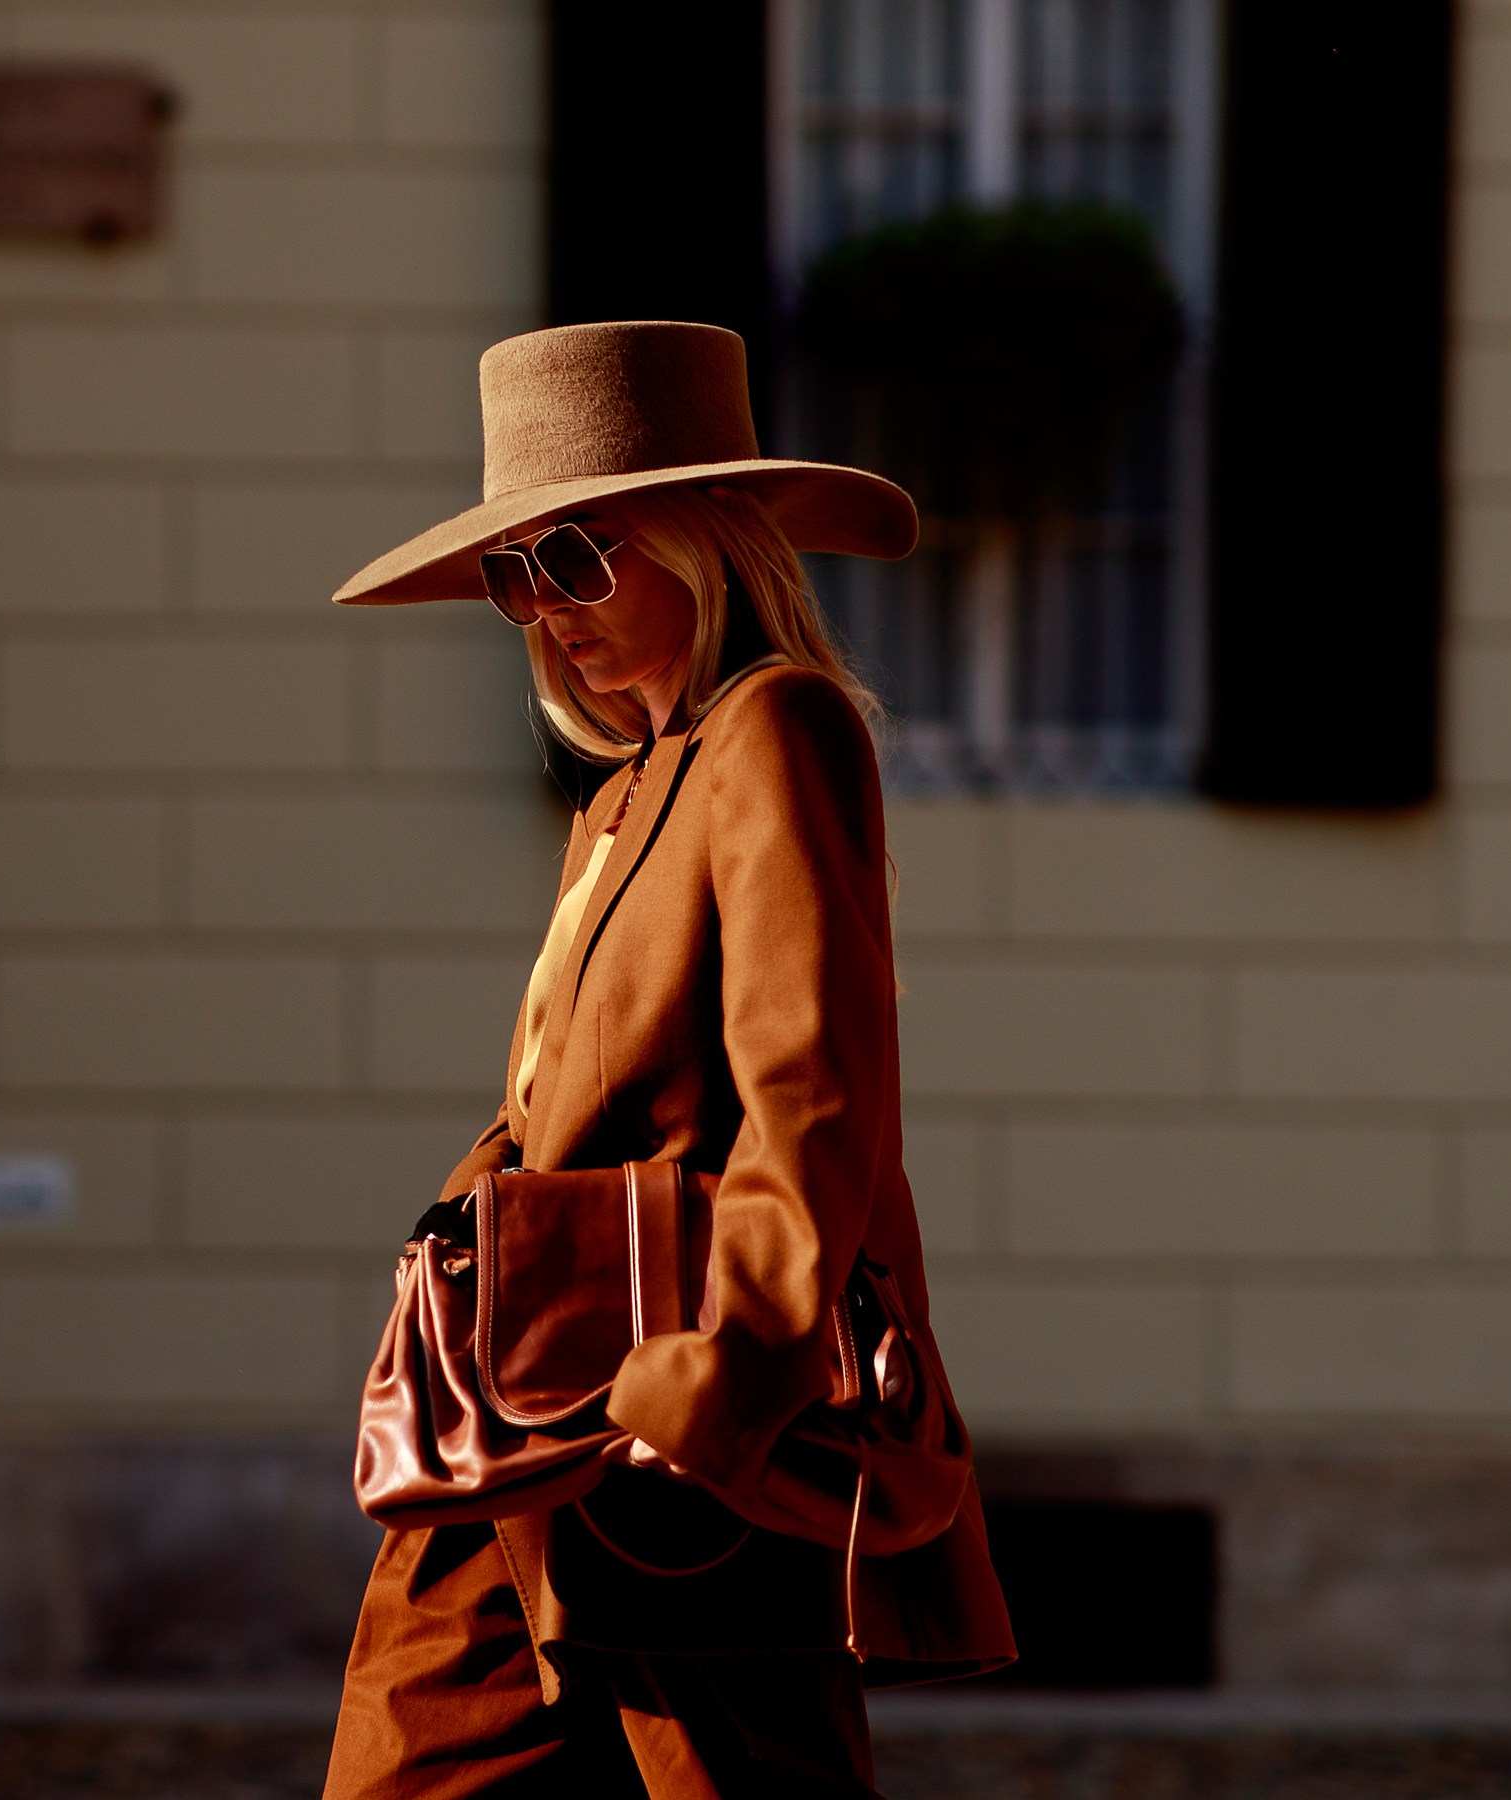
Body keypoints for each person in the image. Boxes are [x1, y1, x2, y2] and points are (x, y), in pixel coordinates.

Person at [319, 322, 1013, 1799]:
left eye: (577, 558)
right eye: (512, 576)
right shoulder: (631, 788)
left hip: (667, 1416)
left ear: (702, 542)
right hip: (522, 1403)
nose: (542, 610)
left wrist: (734, 1378)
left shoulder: (778, 730)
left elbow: (815, 1085)